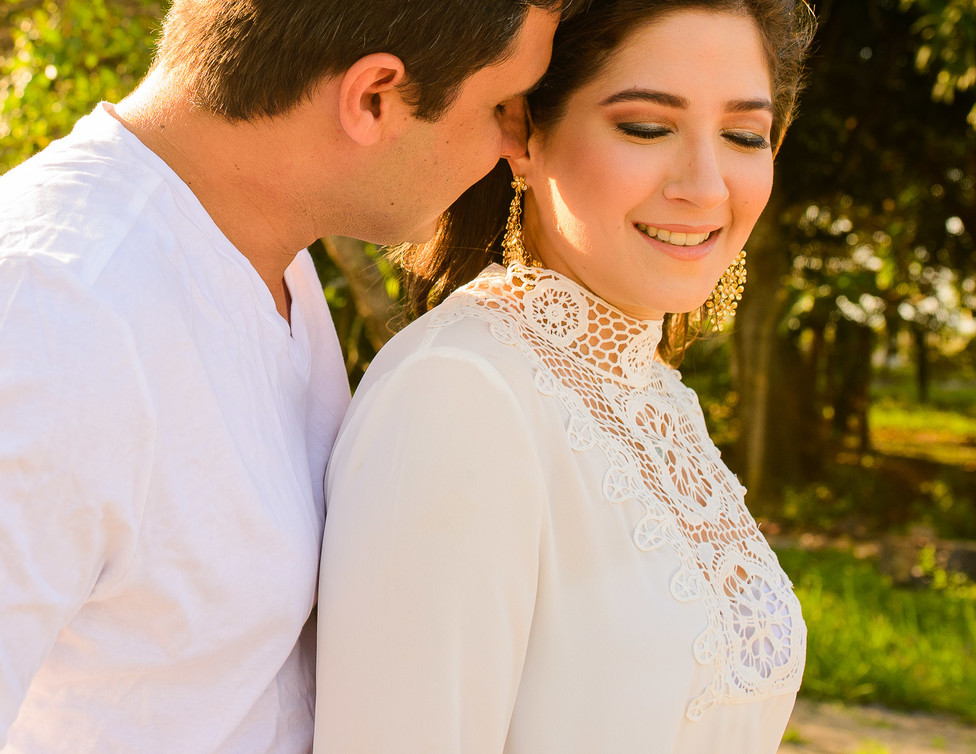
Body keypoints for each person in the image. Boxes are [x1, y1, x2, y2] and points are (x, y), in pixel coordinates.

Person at [0, 0, 564, 750]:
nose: (515, 144)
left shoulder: (269, 253)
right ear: (375, 98)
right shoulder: (57, 309)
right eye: (502, 104)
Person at [314, 0, 817, 751]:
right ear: (522, 132)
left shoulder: (653, 396)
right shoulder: (461, 393)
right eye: (647, 127)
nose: (707, 186)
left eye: (745, 135)